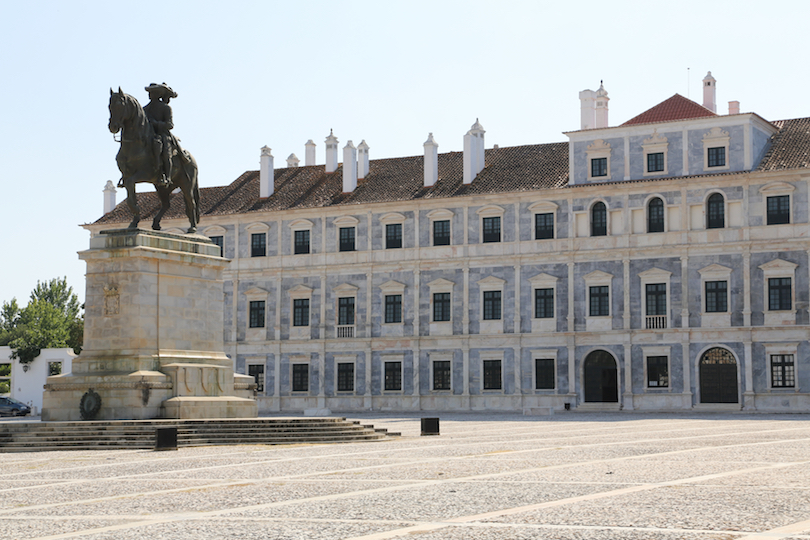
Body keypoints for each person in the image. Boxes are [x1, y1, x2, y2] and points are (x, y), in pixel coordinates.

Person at [143, 83, 178, 187]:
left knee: (165, 153)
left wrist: (156, 123)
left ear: (158, 94)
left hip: (163, 135)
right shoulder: (144, 109)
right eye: (149, 92)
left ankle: (167, 176)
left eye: (152, 92)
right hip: (148, 135)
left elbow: (170, 125)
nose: (150, 94)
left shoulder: (165, 108)